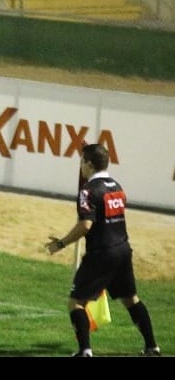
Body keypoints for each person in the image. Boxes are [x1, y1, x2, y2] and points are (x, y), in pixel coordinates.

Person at [46, 143, 160, 357]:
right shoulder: (117, 186)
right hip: (123, 250)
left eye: (82, 162)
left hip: (101, 254)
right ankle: (152, 347)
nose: (81, 166)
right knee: (131, 299)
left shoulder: (88, 191)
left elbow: (85, 225)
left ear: (89, 164)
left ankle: (85, 351)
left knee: (76, 303)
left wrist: (60, 243)